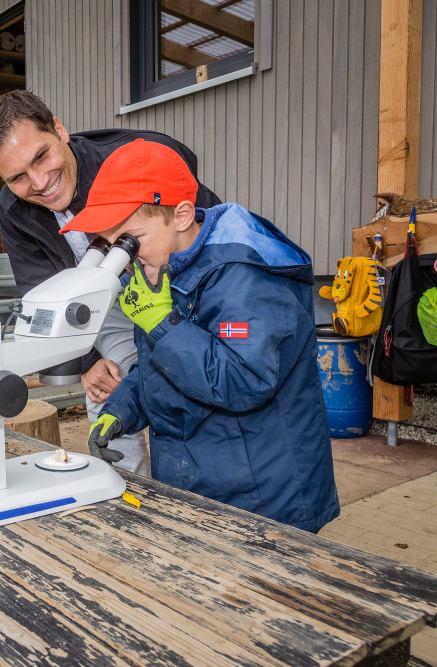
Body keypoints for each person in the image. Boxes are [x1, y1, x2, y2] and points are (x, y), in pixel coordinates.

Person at [64, 138, 339, 533]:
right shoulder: (163, 267)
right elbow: (163, 364)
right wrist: (119, 412)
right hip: (200, 483)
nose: (124, 256)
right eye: (113, 243)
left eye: (130, 239)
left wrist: (160, 322)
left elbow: (244, 380)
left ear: (180, 215)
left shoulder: (245, 274)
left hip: (262, 496)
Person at [0, 89, 221, 475]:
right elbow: (42, 290)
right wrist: (87, 362)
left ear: (59, 129)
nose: (39, 182)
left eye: (41, 156)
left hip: (181, 281)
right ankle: (127, 492)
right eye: (18, 177)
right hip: (103, 298)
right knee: (105, 390)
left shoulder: (137, 157)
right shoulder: (11, 210)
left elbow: (208, 234)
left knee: (194, 385)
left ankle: (198, 488)